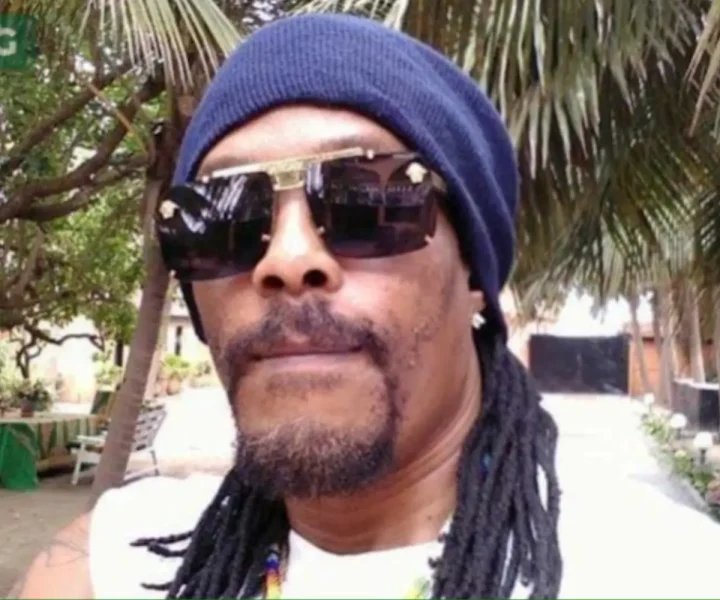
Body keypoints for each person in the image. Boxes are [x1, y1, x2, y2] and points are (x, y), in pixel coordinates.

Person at [17, 14, 563, 599]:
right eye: (222, 218)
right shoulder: (109, 567)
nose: (287, 258)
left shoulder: (626, 560)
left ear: (474, 267)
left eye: (367, 201)